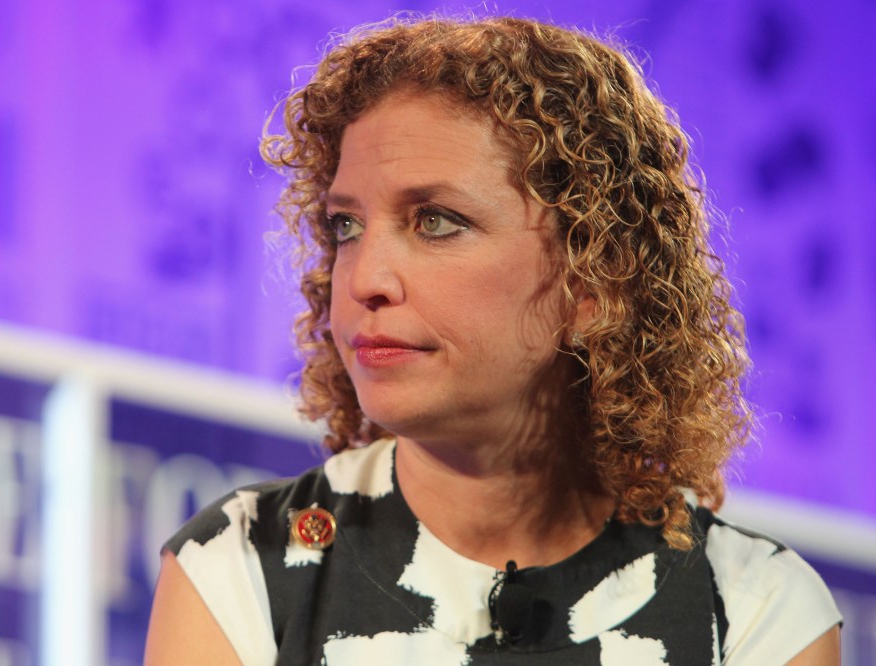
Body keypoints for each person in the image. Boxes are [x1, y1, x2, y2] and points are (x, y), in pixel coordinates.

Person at [144, 16, 841, 665]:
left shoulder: (755, 611)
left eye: (435, 221)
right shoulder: (243, 566)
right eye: (345, 227)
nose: (364, 279)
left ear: (594, 280)